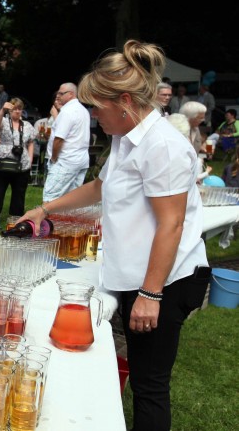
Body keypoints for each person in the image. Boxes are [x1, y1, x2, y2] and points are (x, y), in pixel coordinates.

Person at [16, 40, 209, 431]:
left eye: (95, 107)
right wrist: (44, 209)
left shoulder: (163, 147)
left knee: (150, 385)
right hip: (138, 276)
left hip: (166, 281)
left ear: (124, 100)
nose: (91, 116)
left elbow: (171, 225)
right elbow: (99, 188)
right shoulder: (126, 139)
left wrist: (150, 295)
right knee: (139, 375)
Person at [0, 98, 37, 228]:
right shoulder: (4, 121)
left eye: (19, 108)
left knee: (19, 193)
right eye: (14, 109)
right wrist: (2, 110)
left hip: (22, 164)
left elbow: (31, 142)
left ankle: (15, 219)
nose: (17, 111)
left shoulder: (27, 125)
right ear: (10, 110)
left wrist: (30, 159)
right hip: (3, 163)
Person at [42, 82, 90, 202]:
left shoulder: (67, 111)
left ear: (71, 94)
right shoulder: (83, 110)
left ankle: (48, 221)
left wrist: (53, 158)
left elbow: (59, 139)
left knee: (50, 199)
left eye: (61, 93)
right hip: (80, 160)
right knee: (70, 200)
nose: (58, 96)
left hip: (65, 161)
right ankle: (65, 221)